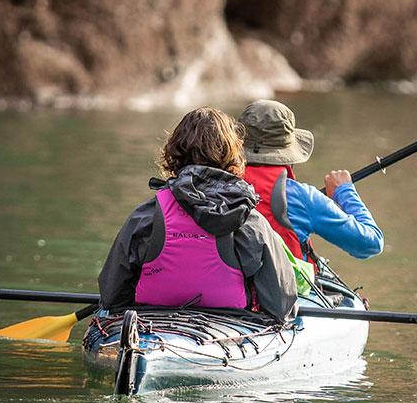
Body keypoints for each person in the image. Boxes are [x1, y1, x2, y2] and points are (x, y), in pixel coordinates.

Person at [99, 107, 297, 322]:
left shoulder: (146, 215)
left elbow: (111, 295)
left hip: (151, 320)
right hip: (230, 325)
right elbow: (280, 305)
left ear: (174, 153)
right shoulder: (249, 220)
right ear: (234, 155)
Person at [237, 100, 384, 269]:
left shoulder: (218, 184)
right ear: (287, 151)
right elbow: (371, 243)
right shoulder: (303, 197)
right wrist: (345, 191)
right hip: (285, 291)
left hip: (233, 288)